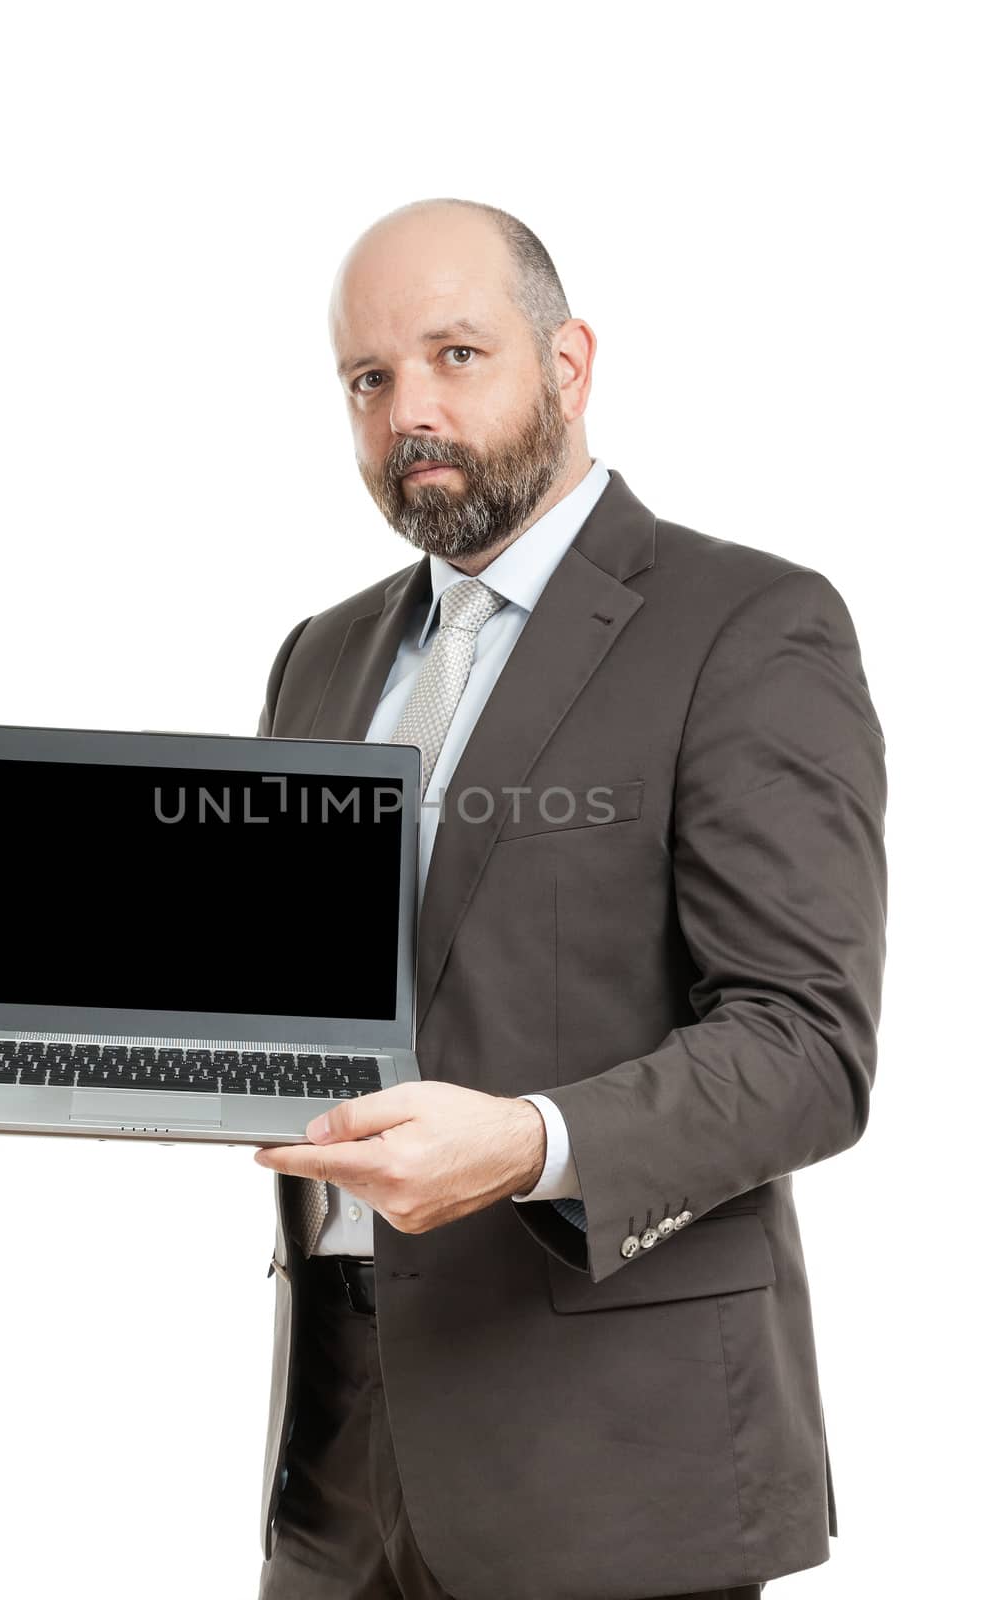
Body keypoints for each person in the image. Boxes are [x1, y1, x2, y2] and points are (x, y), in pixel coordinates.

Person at [251, 196, 887, 1600]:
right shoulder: (322, 658)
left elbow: (807, 1048)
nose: (410, 407)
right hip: (342, 1466)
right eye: (371, 379)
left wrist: (528, 1143)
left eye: (456, 354)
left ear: (569, 362)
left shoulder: (747, 627)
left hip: (616, 1463)